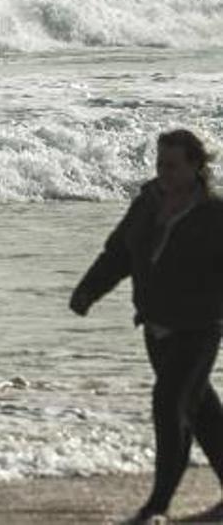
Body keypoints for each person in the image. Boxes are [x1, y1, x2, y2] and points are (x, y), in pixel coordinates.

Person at [71, 129, 223, 524]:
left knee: (169, 404)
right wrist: (89, 289)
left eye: (173, 166)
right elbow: (119, 252)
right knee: (201, 410)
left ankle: (156, 507)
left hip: (200, 327)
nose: (164, 173)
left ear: (195, 165)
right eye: (159, 165)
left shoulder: (213, 213)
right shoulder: (148, 203)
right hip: (155, 327)